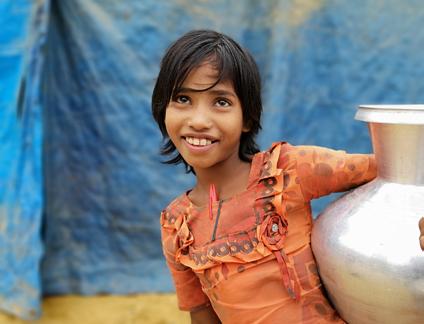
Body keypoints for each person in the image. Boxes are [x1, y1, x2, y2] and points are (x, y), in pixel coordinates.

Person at [151, 29, 377, 324]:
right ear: (162, 108)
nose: (199, 121)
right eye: (183, 98)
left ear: (247, 117)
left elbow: (398, 172)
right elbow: (202, 315)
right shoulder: (177, 227)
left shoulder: (288, 171)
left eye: (221, 102)